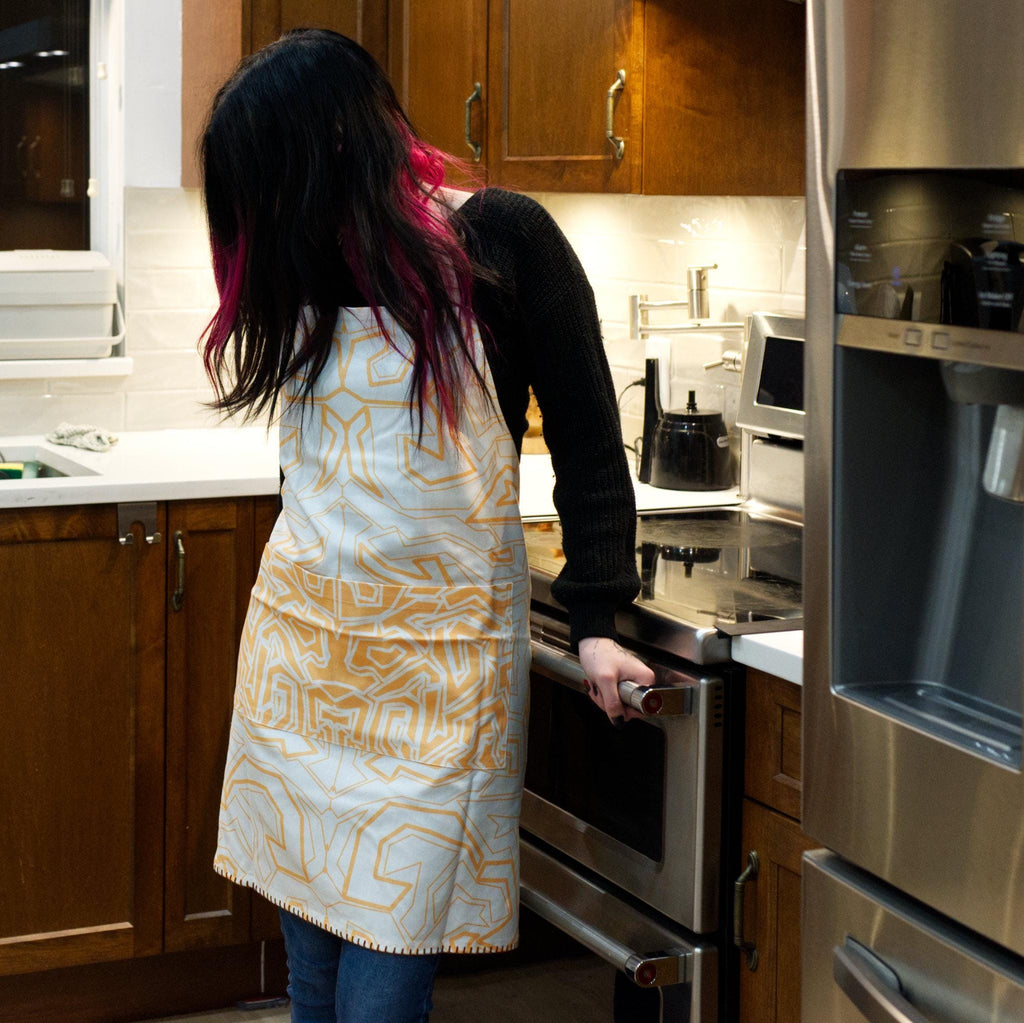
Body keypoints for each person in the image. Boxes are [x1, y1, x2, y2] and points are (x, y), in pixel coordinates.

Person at [199, 28, 654, 1023]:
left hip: (435, 679)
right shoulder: (303, 258)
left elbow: (589, 440)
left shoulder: (503, 240)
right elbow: (310, 459)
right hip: (303, 661)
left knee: (384, 974)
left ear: (331, 144)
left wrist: (596, 620)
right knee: (313, 973)